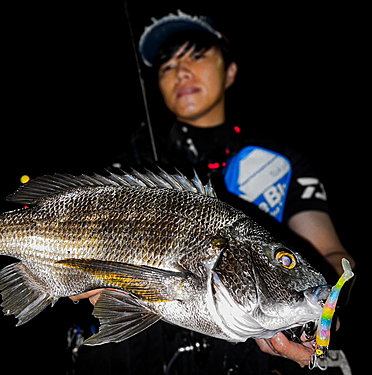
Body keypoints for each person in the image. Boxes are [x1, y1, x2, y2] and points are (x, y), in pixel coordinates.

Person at [70, 10, 355, 374]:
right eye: (166, 66)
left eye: (196, 55)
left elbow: (330, 252)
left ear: (231, 70)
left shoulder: (279, 165)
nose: (181, 71)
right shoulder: (127, 171)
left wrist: (314, 310)